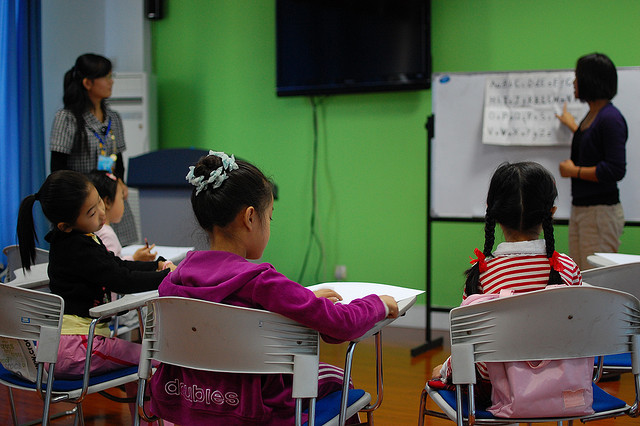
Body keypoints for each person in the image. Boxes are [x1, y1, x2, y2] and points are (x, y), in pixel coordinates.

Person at [147, 151, 399, 425]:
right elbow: (340, 324)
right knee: (339, 377)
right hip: (255, 409)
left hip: (187, 401)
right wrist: (379, 303)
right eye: (270, 217)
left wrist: (304, 300)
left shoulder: (174, 282)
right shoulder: (261, 282)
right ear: (250, 218)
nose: (269, 225)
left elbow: (227, 310)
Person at [431, 162, 582, 403]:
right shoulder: (568, 268)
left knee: (442, 371)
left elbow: (471, 355)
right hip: (561, 390)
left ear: (492, 211)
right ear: (551, 212)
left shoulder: (482, 275)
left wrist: (446, 370)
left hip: (498, 393)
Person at [49, 53, 138, 246]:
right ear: (88, 83)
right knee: (94, 254)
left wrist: (120, 183)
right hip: (83, 203)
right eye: (106, 77)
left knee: (124, 252)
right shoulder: (67, 118)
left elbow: (119, 160)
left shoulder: (113, 117)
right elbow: (58, 168)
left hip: (111, 199)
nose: (111, 82)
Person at [556, 53, 627, 270]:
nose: (574, 83)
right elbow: (592, 145)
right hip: (583, 209)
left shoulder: (610, 118)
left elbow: (615, 169)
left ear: (591, 80)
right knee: (582, 276)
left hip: (599, 212)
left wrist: (574, 171)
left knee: (596, 279)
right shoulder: (593, 114)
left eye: (577, 77)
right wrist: (573, 127)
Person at [87, 170, 156, 261]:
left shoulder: (90, 229)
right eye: (121, 198)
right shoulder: (106, 235)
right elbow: (114, 268)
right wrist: (135, 259)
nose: (123, 203)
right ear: (107, 202)